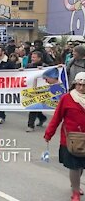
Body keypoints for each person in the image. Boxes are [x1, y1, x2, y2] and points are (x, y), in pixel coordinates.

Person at [45, 72, 85, 201]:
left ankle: (76, 184)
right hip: (71, 139)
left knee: (81, 165)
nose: (81, 87)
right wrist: (49, 133)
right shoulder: (67, 98)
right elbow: (57, 118)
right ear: (75, 84)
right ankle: (75, 192)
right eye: (79, 84)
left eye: (84, 85)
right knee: (75, 166)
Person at [0, 46, 15, 124]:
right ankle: (1, 116)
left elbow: (14, 72)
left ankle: (1, 116)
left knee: (3, 99)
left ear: (3, 52)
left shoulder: (9, 62)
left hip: (7, 84)